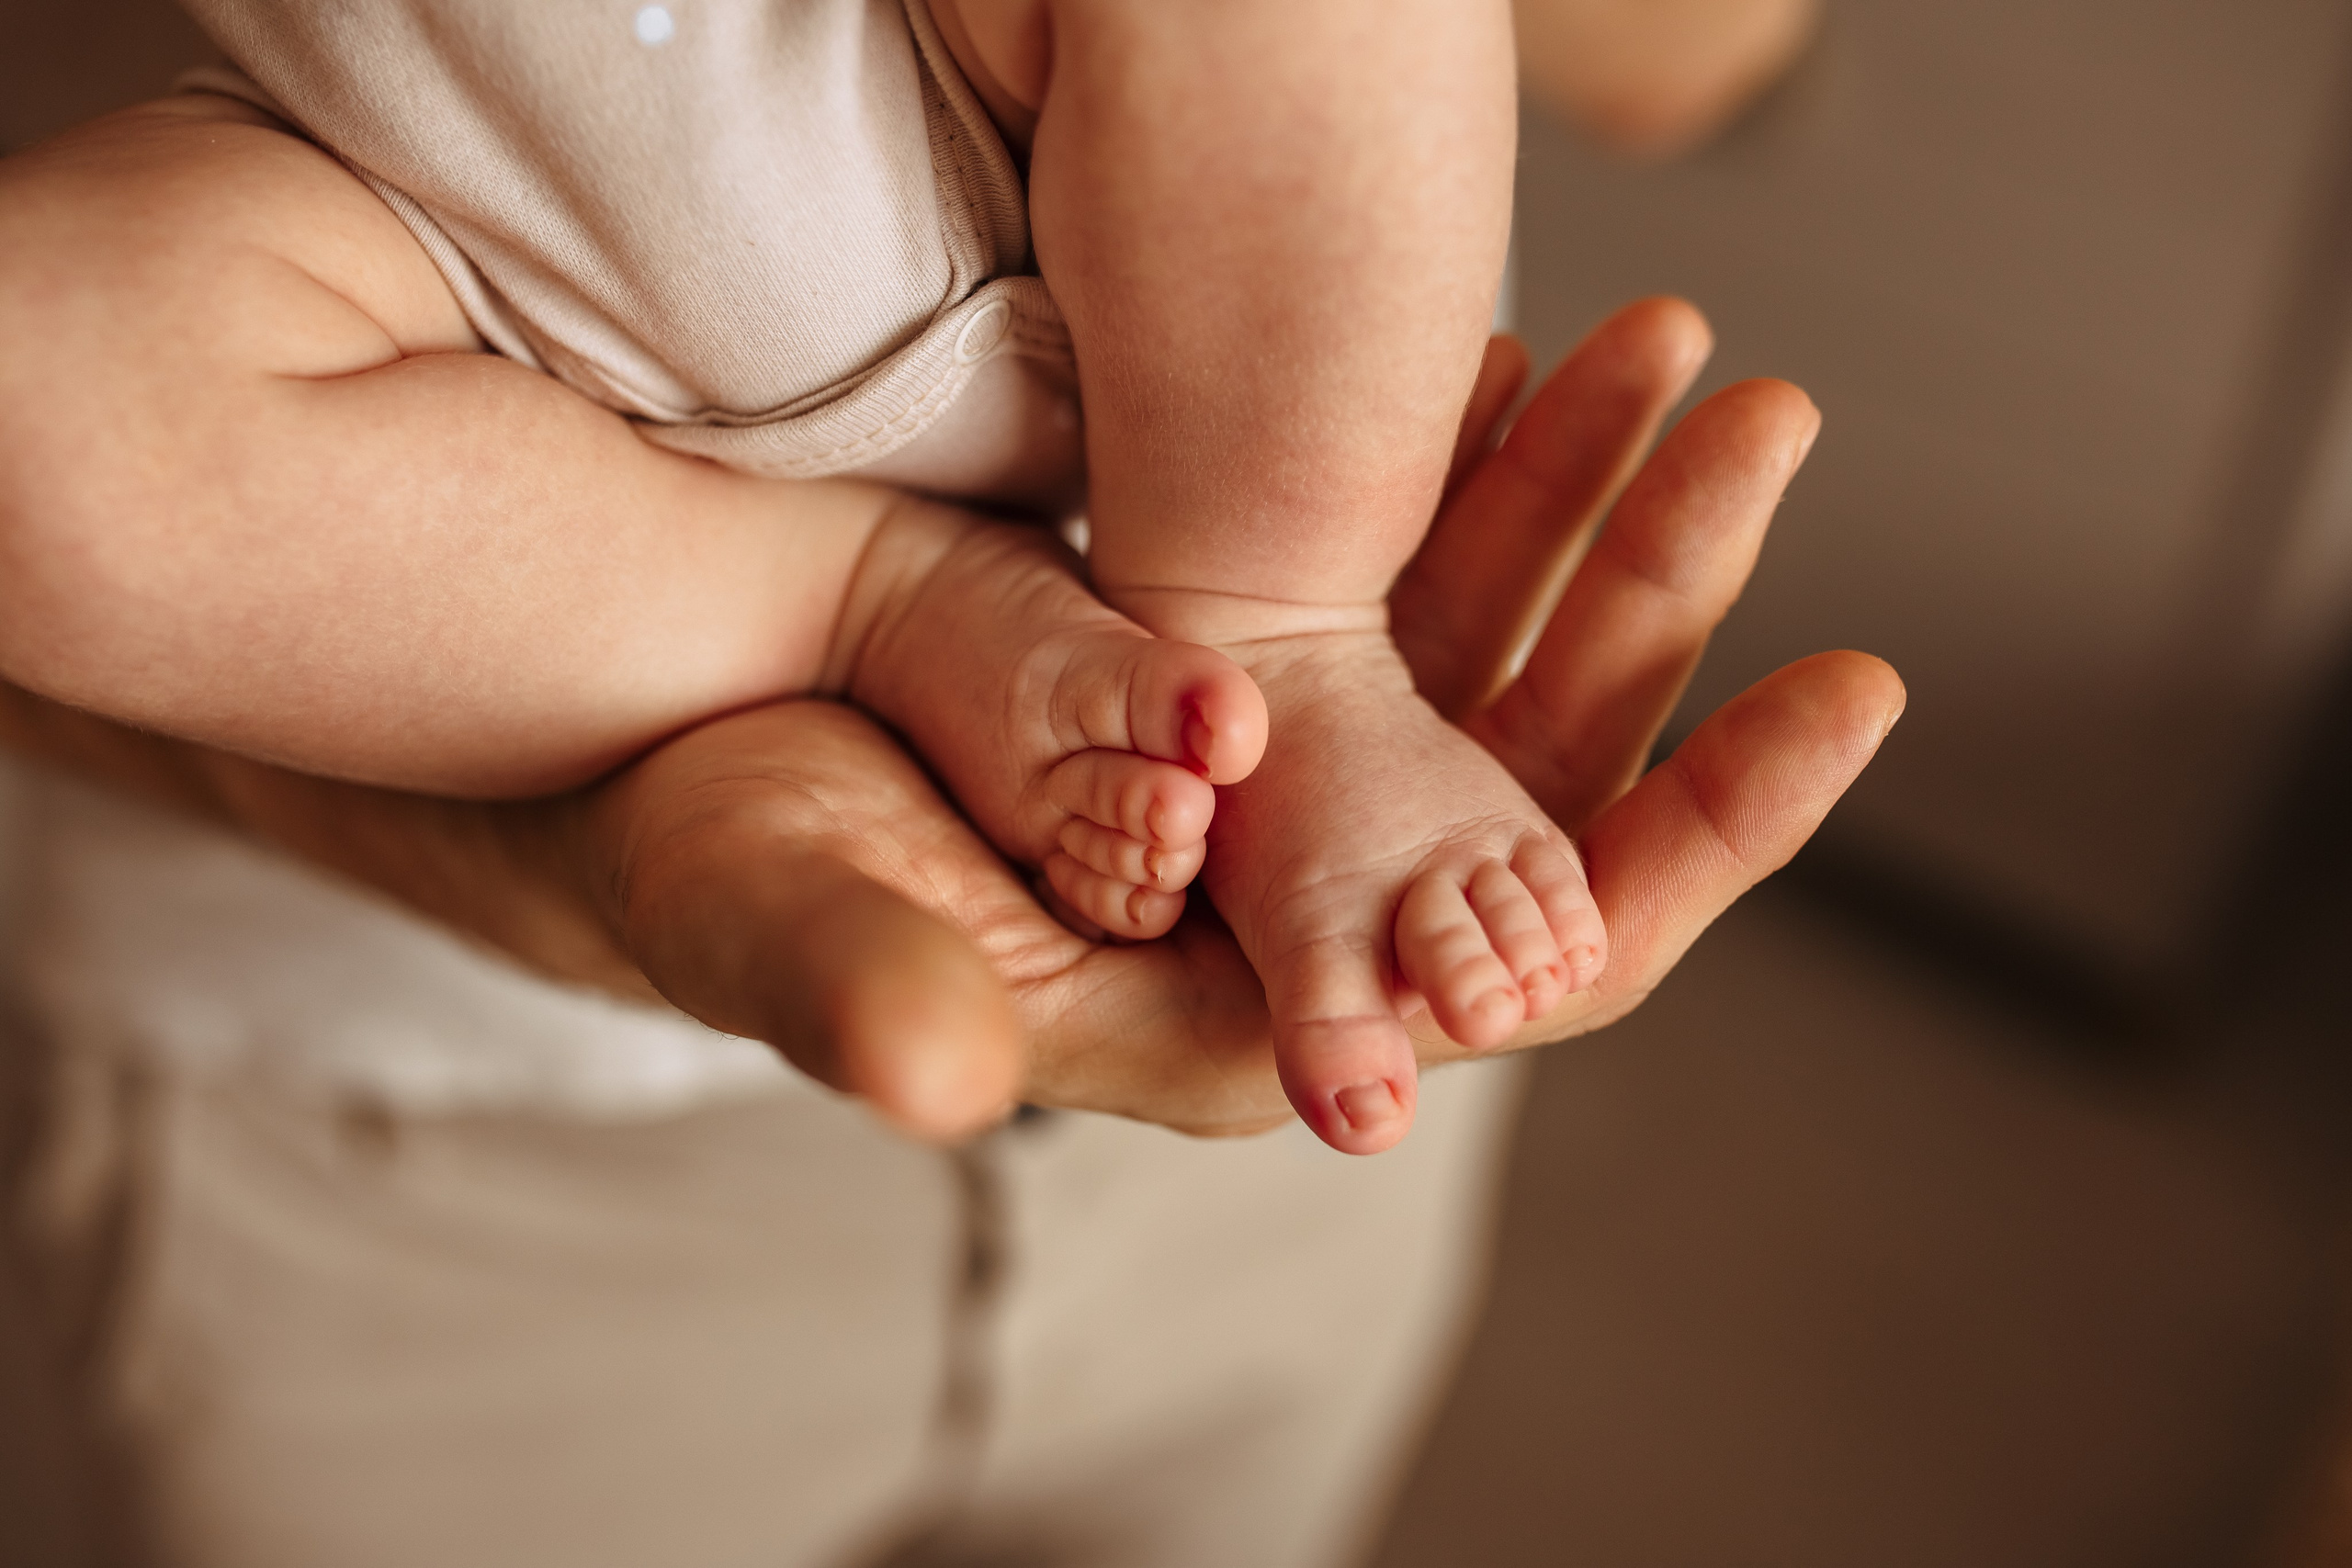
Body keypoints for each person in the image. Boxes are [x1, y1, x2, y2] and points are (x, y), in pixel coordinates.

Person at [0, 0, 1580, 1156]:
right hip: (431, 208)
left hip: (959, 86)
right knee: (39, 410)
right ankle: (861, 598)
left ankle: (1284, 620)